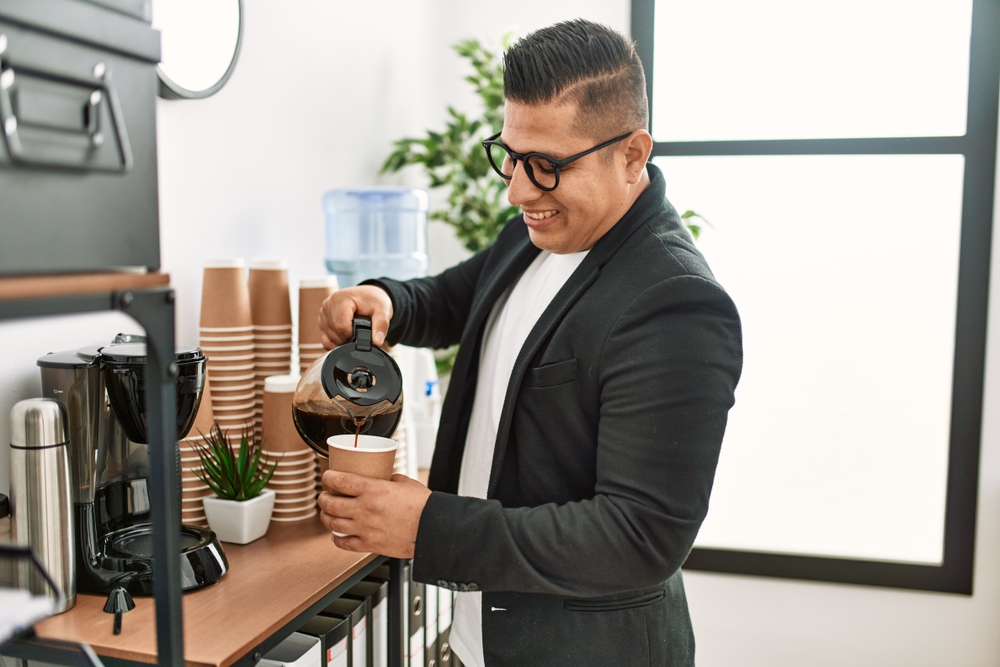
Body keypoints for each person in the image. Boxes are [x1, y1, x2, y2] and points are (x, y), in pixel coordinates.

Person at [316, 19, 743, 667]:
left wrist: (428, 526)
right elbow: (461, 298)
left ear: (633, 154)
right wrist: (389, 302)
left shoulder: (676, 303)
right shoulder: (540, 226)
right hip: (479, 640)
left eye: (545, 166)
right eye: (511, 156)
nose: (516, 189)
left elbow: (637, 536)